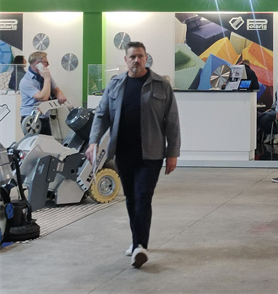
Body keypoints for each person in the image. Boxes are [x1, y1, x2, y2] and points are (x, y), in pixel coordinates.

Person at [86, 42, 180, 269]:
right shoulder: (115, 84)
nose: (136, 60)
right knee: (131, 198)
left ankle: (140, 246)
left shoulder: (161, 85)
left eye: (140, 56)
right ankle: (136, 239)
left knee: (143, 197)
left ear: (146, 58)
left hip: (151, 153)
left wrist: (172, 153)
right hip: (124, 151)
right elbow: (102, 114)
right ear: (126, 59)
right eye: (132, 57)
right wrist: (93, 141)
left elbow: (172, 121)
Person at [19, 51, 67, 136]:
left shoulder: (45, 75)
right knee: (35, 143)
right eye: (46, 62)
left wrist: (60, 94)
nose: (48, 65)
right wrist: (47, 78)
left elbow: (56, 90)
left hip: (44, 116)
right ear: (38, 64)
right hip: (31, 118)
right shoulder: (26, 81)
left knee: (47, 142)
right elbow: (43, 97)